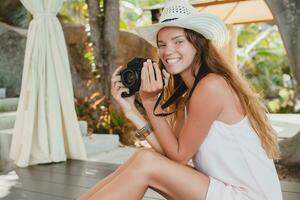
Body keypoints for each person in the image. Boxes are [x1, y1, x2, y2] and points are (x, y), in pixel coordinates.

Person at [79, 0, 282, 199]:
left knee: (146, 162)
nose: (168, 51)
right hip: (222, 191)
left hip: (248, 196)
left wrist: (150, 103)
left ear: (198, 44)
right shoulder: (188, 94)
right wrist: (132, 112)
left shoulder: (211, 86)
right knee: (143, 158)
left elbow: (179, 156)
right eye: (162, 45)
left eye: (178, 41)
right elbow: (169, 153)